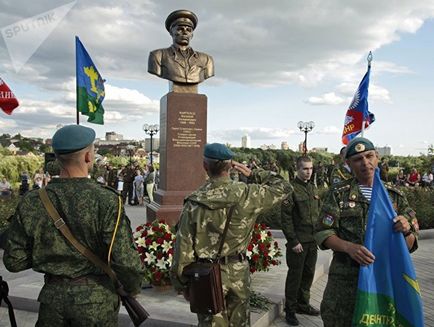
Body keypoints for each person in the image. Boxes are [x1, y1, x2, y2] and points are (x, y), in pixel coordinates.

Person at [3, 124, 144, 326]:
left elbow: (14, 260)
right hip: (96, 303)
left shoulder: (32, 201)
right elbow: (125, 260)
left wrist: (49, 256)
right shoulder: (106, 200)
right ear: (88, 157)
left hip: (52, 302)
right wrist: (132, 288)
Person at [171, 143, 290, 327]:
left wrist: (182, 284)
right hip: (238, 274)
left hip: (205, 277)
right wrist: (253, 173)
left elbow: (183, 248)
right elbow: (284, 187)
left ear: (205, 166)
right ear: (230, 166)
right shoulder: (248, 194)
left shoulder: (193, 203)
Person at [314, 137, 418, 327]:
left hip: (384, 283)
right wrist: (349, 247)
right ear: (348, 164)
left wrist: (406, 230)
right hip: (346, 284)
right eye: (357, 159)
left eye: (369, 156)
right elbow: (323, 232)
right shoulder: (338, 194)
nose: (365, 163)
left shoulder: (394, 196)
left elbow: (411, 244)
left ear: (377, 157)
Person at [281, 156, 320, 326]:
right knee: (295, 277)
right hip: (298, 242)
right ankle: (290, 310)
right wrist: (293, 241)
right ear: (297, 169)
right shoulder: (291, 189)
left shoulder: (312, 188)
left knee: (308, 275)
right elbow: (286, 218)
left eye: (310, 168)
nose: (308, 171)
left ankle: (303, 305)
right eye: (305, 168)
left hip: (312, 241)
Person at [148, 9, 214, 85]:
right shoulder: (158, 56)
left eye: (188, 30)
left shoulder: (207, 59)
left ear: (192, 35)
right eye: (180, 29)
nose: (185, 32)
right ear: (171, 32)